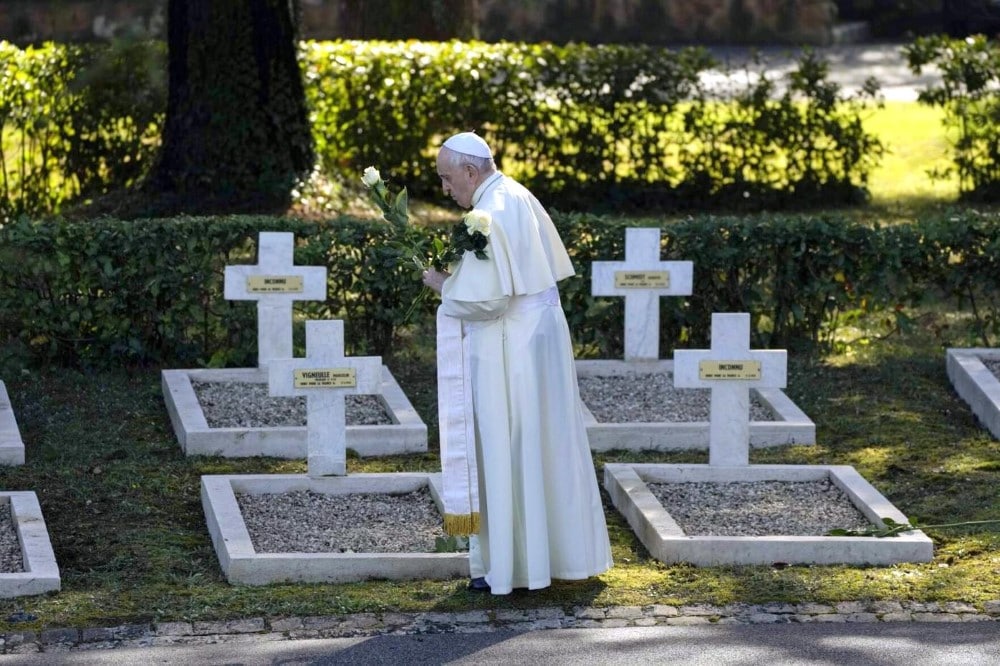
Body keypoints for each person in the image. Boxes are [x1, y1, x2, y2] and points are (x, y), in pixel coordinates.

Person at [422, 131, 613, 595]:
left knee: (510, 444)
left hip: (511, 344)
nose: (446, 189)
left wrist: (441, 284)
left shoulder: (491, 210)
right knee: (542, 443)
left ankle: (512, 569)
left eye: (448, 179)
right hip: (536, 337)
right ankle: (552, 559)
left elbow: (488, 300)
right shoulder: (514, 193)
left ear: (470, 171)